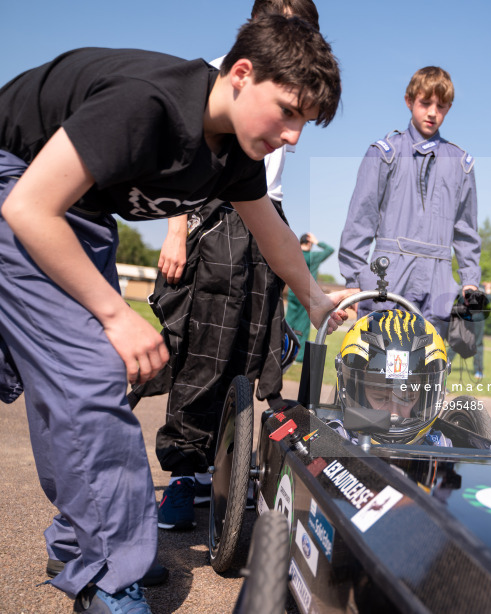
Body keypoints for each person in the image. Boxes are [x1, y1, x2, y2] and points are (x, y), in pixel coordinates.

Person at [0, 14, 347, 612]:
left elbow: (271, 234)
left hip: (78, 212)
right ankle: (108, 575)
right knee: (88, 374)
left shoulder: (236, 153)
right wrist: (114, 313)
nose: (294, 136)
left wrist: (313, 299)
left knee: (85, 376)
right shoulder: (150, 105)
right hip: (19, 186)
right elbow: (31, 207)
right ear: (241, 74)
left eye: (305, 123)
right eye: (289, 111)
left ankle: (85, 544)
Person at [127, 0, 323, 534]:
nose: (290, 30)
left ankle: (230, 473)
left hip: (266, 212)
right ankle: (185, 475)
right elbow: (191, 156)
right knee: (204, 351)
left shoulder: (298, 85)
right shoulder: (226, 70)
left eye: (301, 23)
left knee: (251, 350)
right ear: (256, 23)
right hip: (213, 210)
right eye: (279, 18)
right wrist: (176, 228)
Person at [338, 66, 481, 340]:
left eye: (441, 106)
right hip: (387, 277)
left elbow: (466, 232)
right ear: (409, 101)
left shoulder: (461, 164)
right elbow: (360, 221)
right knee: (375, 370)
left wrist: (470, 280)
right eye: (425, 103)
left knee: (427, 372)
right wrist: (355, 281)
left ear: (449, 108)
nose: (432, 112)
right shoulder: (383, 154)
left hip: (438, 281)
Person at [331, 309, 452, 446]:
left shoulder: (440, 445)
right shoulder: (333, 439)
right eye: (380, 397)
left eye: (407, 398)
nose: (394, 414)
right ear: (353, 390)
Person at [287, 231, 335, 361]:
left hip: (293, 292)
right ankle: (299, 357)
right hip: (306, 293)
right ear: (309, 242)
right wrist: (317, 241)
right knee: (303, 327)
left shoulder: (294, 255)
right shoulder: (313, 257)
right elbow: (330, 250)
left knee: (288, 323)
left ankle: (284, 351)